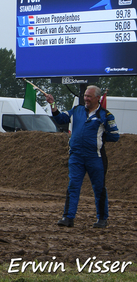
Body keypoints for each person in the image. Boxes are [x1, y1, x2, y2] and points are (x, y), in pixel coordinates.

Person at [46, 85, 119, 229]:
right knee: (73, 186)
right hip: (76, 156)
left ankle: (102, 219)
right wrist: (52, 104)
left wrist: (99, 139)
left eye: (89, 96)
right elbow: (60, 119)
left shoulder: (106, 115)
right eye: (85, 96)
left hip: (95, 157)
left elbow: (115, 136)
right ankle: (68, 217)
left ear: (98, 98)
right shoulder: (77, 110)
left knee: (99, 188)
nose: (86, 98)